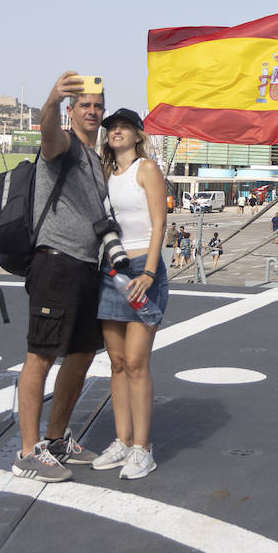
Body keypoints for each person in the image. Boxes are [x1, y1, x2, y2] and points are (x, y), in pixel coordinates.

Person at [12, 72, 107, 483]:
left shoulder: (95, 160)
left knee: (83, 354)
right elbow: (48, 131)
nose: (92, 111)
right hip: (56, 262)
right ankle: (27, 452)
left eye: (97, 106)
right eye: (84, 105)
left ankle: (55, 439)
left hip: (87, 266)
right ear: (72, 111)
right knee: (41, 355)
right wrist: (50, 99)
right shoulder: (64, 145)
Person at [90, 107, 168, 481]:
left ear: (138, 135)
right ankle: (122, 441)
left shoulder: (147, 169)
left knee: (137, 363)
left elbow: (159, 224)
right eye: (112, 128)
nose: (116, 132)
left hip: (142, 272)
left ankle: (142, 448)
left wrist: (151, 272)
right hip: (111, 272)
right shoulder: (105, 174)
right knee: (117, 363)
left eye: (123, 127)